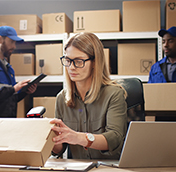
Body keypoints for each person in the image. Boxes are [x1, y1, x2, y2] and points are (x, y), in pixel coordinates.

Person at [50, 32, 128, 160]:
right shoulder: (62, 98)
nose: (71, 67)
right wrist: (50, 137)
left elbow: (114, 139)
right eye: (68, 61)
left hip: (108, 169)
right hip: (77, 170)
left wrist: (79, 138)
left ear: (94, 62)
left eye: (79, 61)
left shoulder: (114, 94)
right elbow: (59, 149)